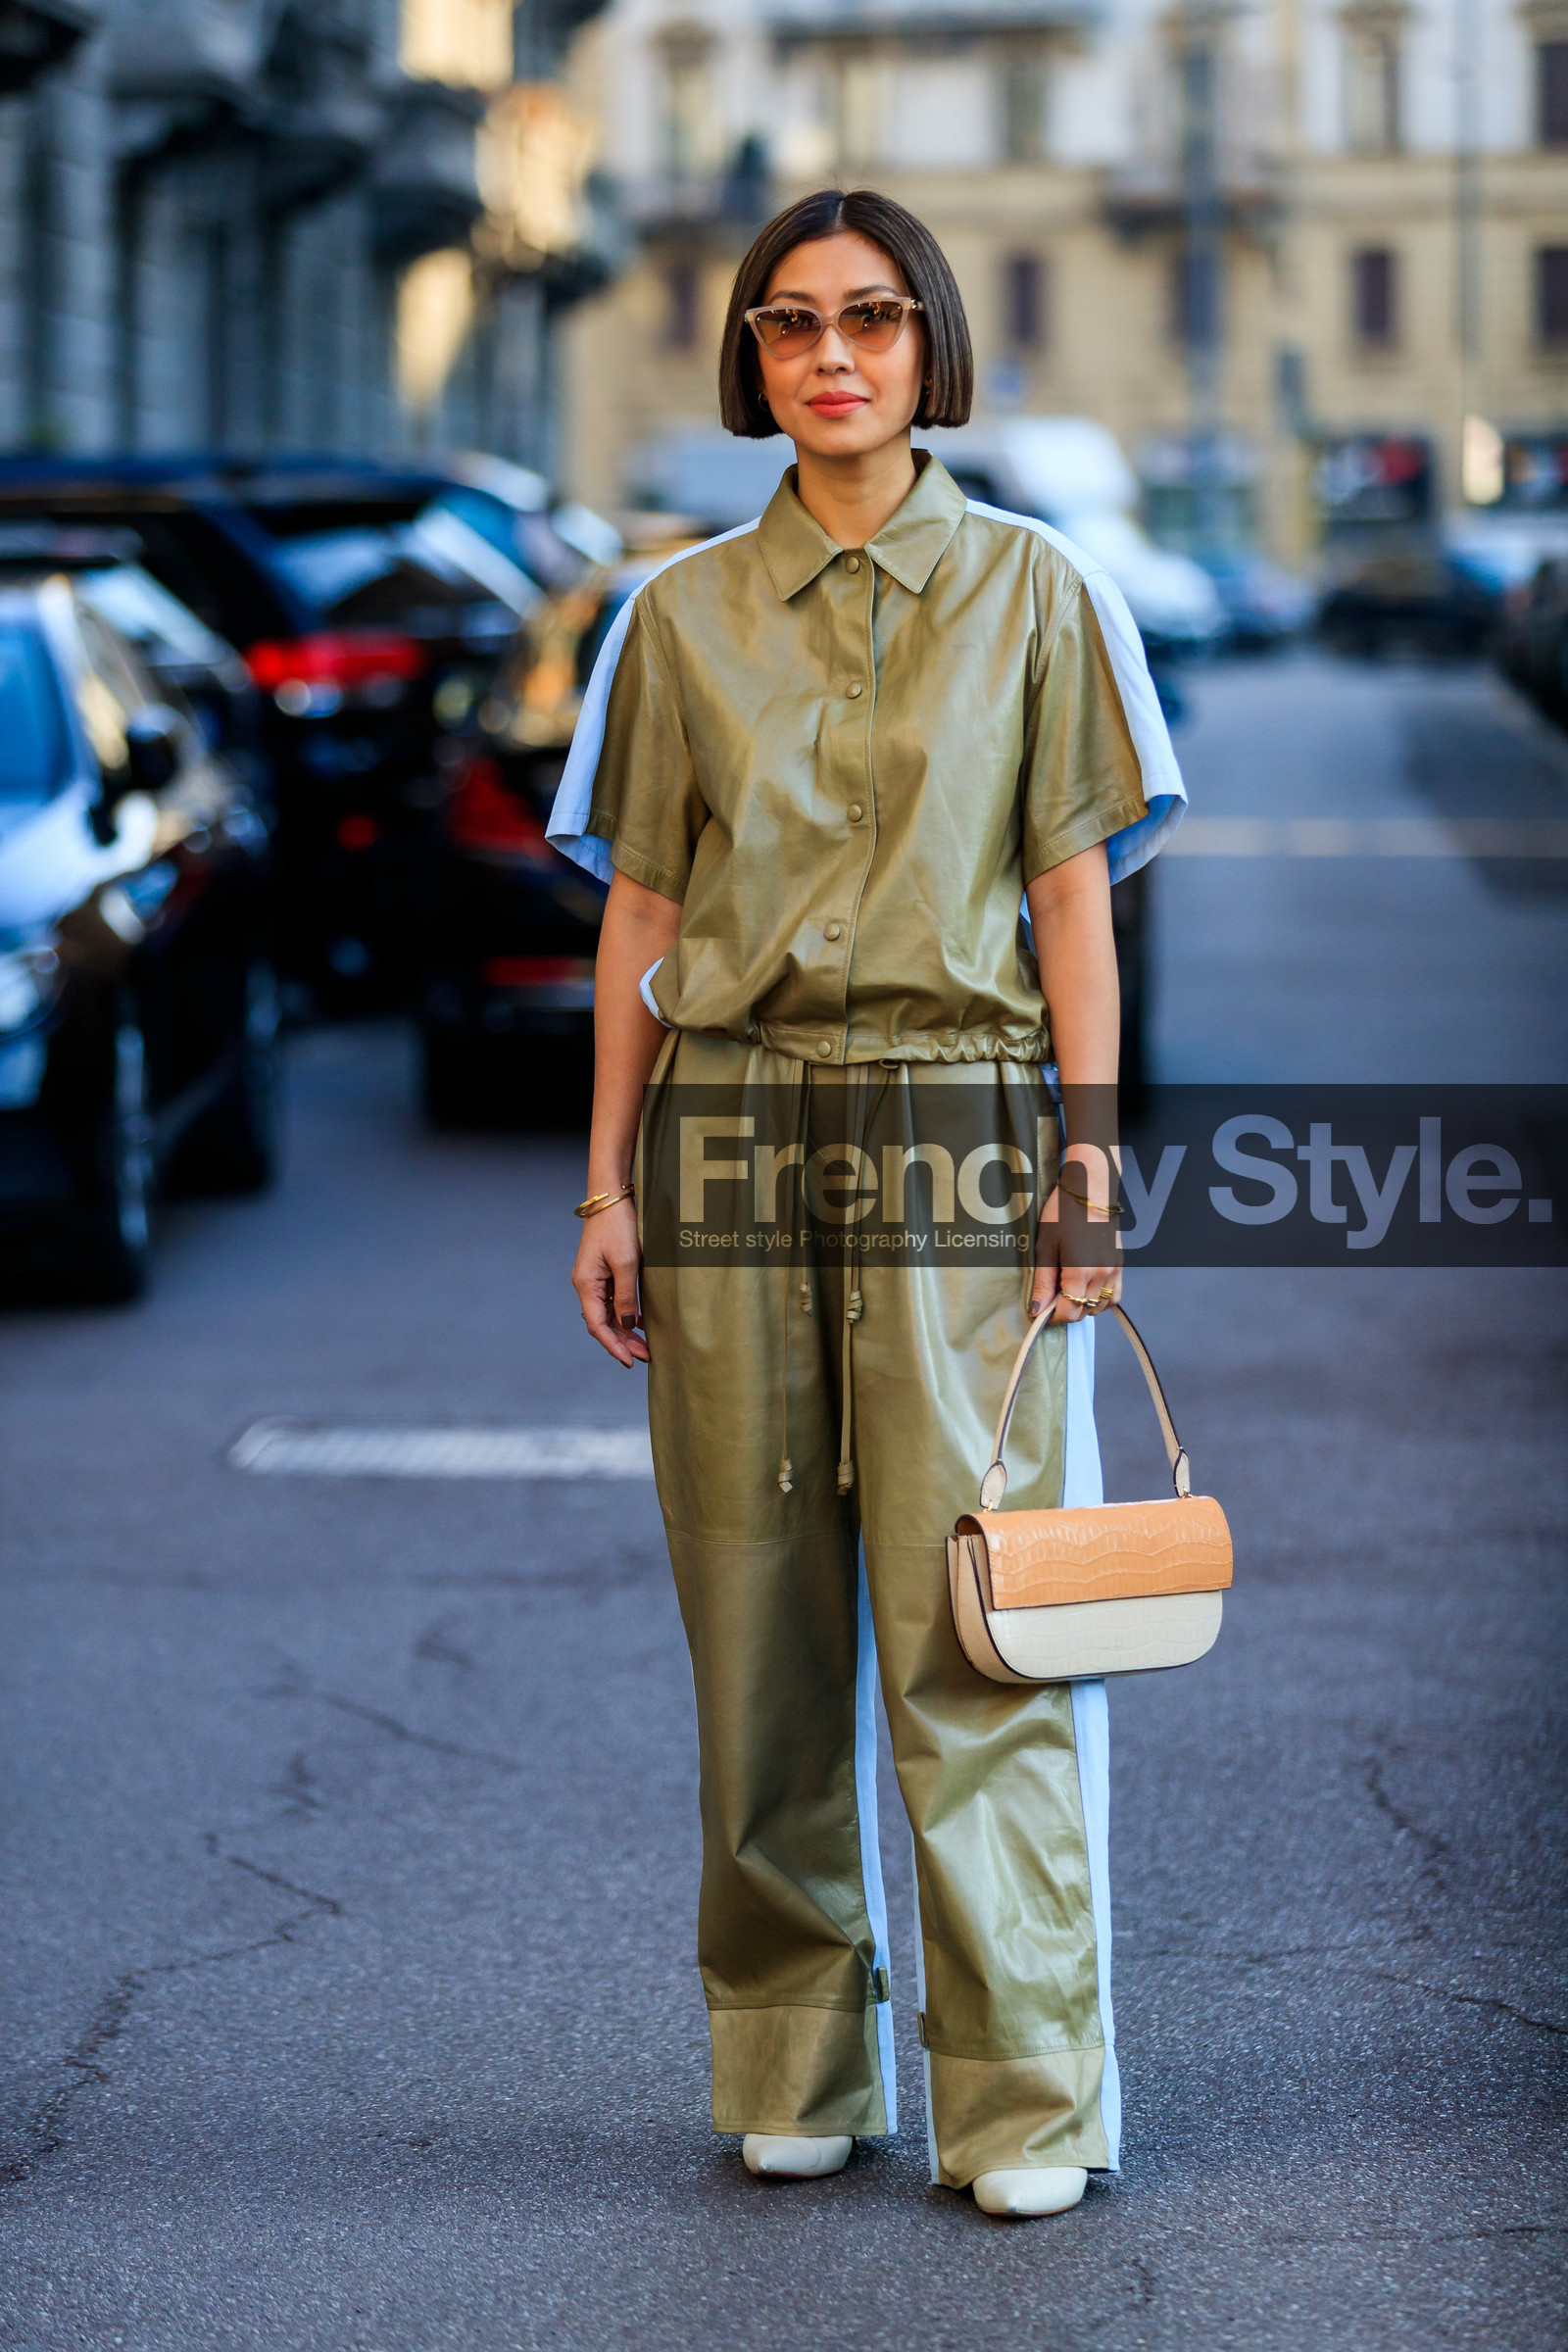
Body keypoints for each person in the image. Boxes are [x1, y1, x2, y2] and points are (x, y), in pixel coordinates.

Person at [550, 187, 1186, 2218]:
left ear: (929, 351)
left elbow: (1073, 893)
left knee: (969, 1621)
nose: (831, 357)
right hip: (725, 1126)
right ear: (746, 359)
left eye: (873, 322)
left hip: (956, 1119)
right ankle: (792, 2059)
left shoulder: (1034, 590)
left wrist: (1085, 1158)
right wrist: (605, 1187)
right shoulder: (671, 617)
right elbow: (641, 911)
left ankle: (1019, 2094)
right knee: (750, 1621)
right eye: (791, 325)